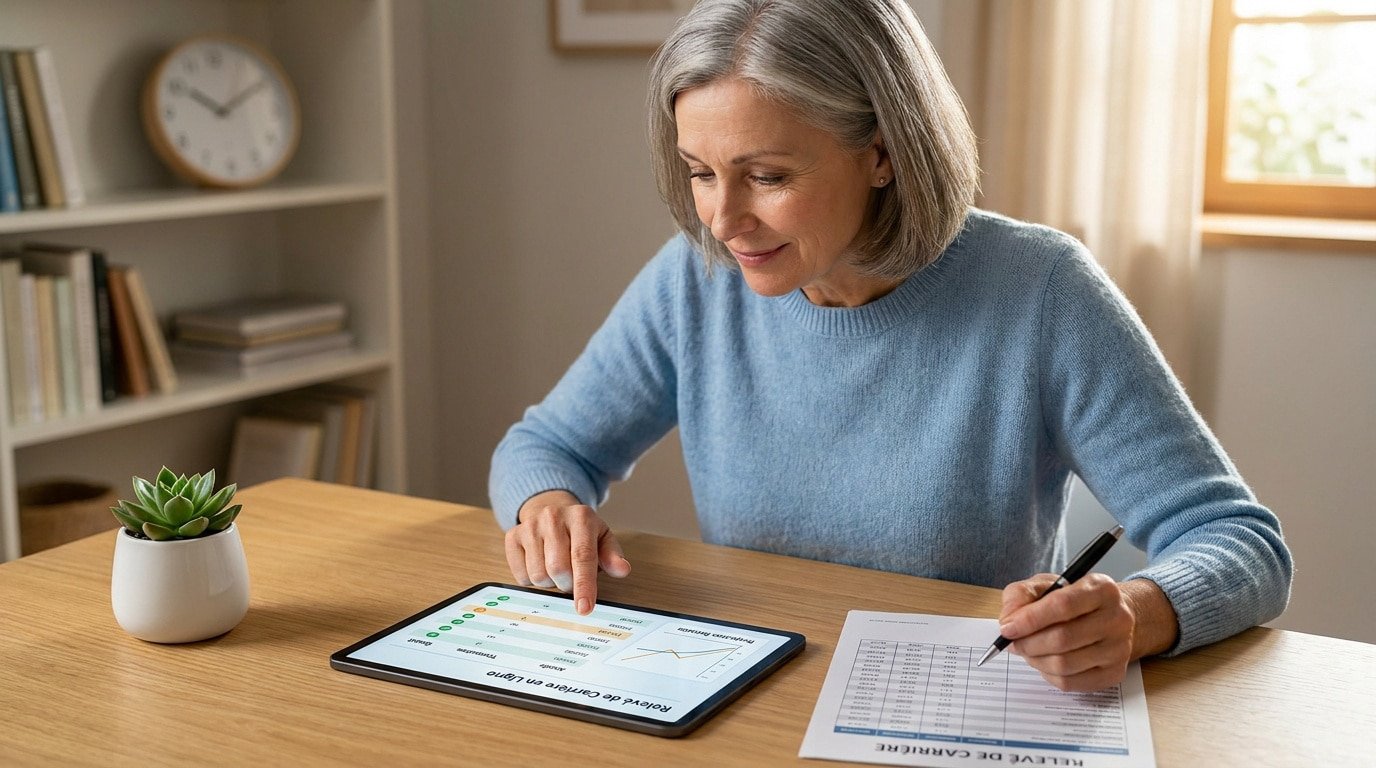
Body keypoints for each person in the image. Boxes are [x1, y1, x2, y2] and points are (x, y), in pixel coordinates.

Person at [489, 0, 1292, 692]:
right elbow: (548, 444)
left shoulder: (1040, 291)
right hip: (750, 697)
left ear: (882, 152)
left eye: (766, 176)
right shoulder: (694, 282)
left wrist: (1135, 614)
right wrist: (547, 506)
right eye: (700, 172)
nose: (721, 219)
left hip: (959, 709)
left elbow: (1240, 540)